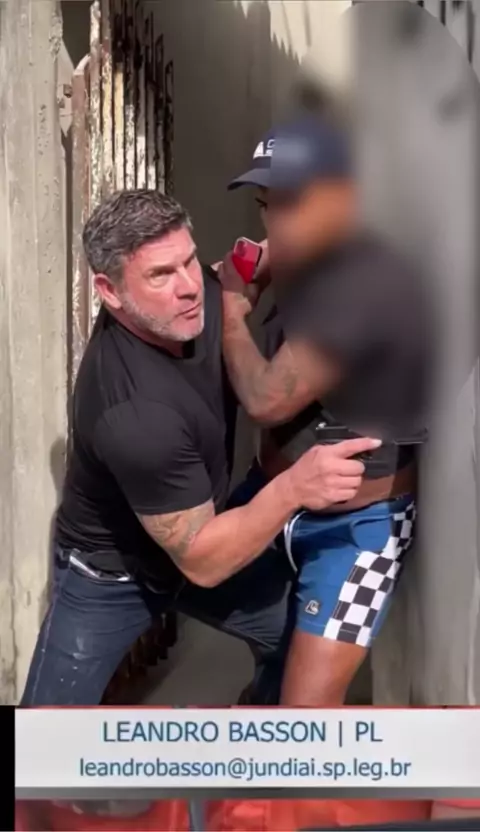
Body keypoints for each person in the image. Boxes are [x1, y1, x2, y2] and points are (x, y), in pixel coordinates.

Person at [20, 189, 380, 706]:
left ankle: (253, 727)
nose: (189, 287)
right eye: (160, 275)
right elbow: (204, 563)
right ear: (109, 290)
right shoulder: (134, 414)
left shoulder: (200, 293)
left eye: (188, 260)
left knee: (300, 644)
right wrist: (296, 486)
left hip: (203, 529)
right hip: (113, 574)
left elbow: (253, 266)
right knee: (44, 741)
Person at [221, 115, 434, 706]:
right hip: (274, 499)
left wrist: (234, 311)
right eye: (268, 204)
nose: (276, 222)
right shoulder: (311, 250)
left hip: (354, 533)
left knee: (307, 718)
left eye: (293, 201)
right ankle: (266, 688)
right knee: (154, 567)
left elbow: (267, 399)